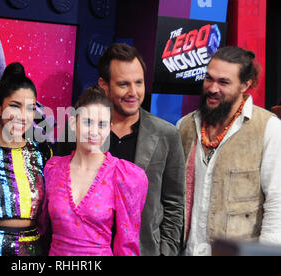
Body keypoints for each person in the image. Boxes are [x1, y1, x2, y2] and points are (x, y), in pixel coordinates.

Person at [177, 46, 281, 256]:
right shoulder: (185, 126)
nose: (213, 88)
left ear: (246, 84)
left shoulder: (268, 128)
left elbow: (277, 204)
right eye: (209, 79)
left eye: (224, 82)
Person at [97, 43, 185, 256]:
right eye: (123, 84)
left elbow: (174, 204)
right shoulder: (81, 132)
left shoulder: (167, 134)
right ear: (104, 85)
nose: (133, 92)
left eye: (139, 82)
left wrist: (166, 252)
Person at [42, 86, 148, 256]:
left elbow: (128, 242)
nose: (94, 131)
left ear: (109, 128)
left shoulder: (122, 175)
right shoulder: (53, 170)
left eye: (102, 124)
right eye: (87, 122)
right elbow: (41, 229)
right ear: (72, 123)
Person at [0, 62, 52, 256]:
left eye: (30, 108)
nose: (23, 116)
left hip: (33, 250)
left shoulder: (41, 152)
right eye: (15, 106)